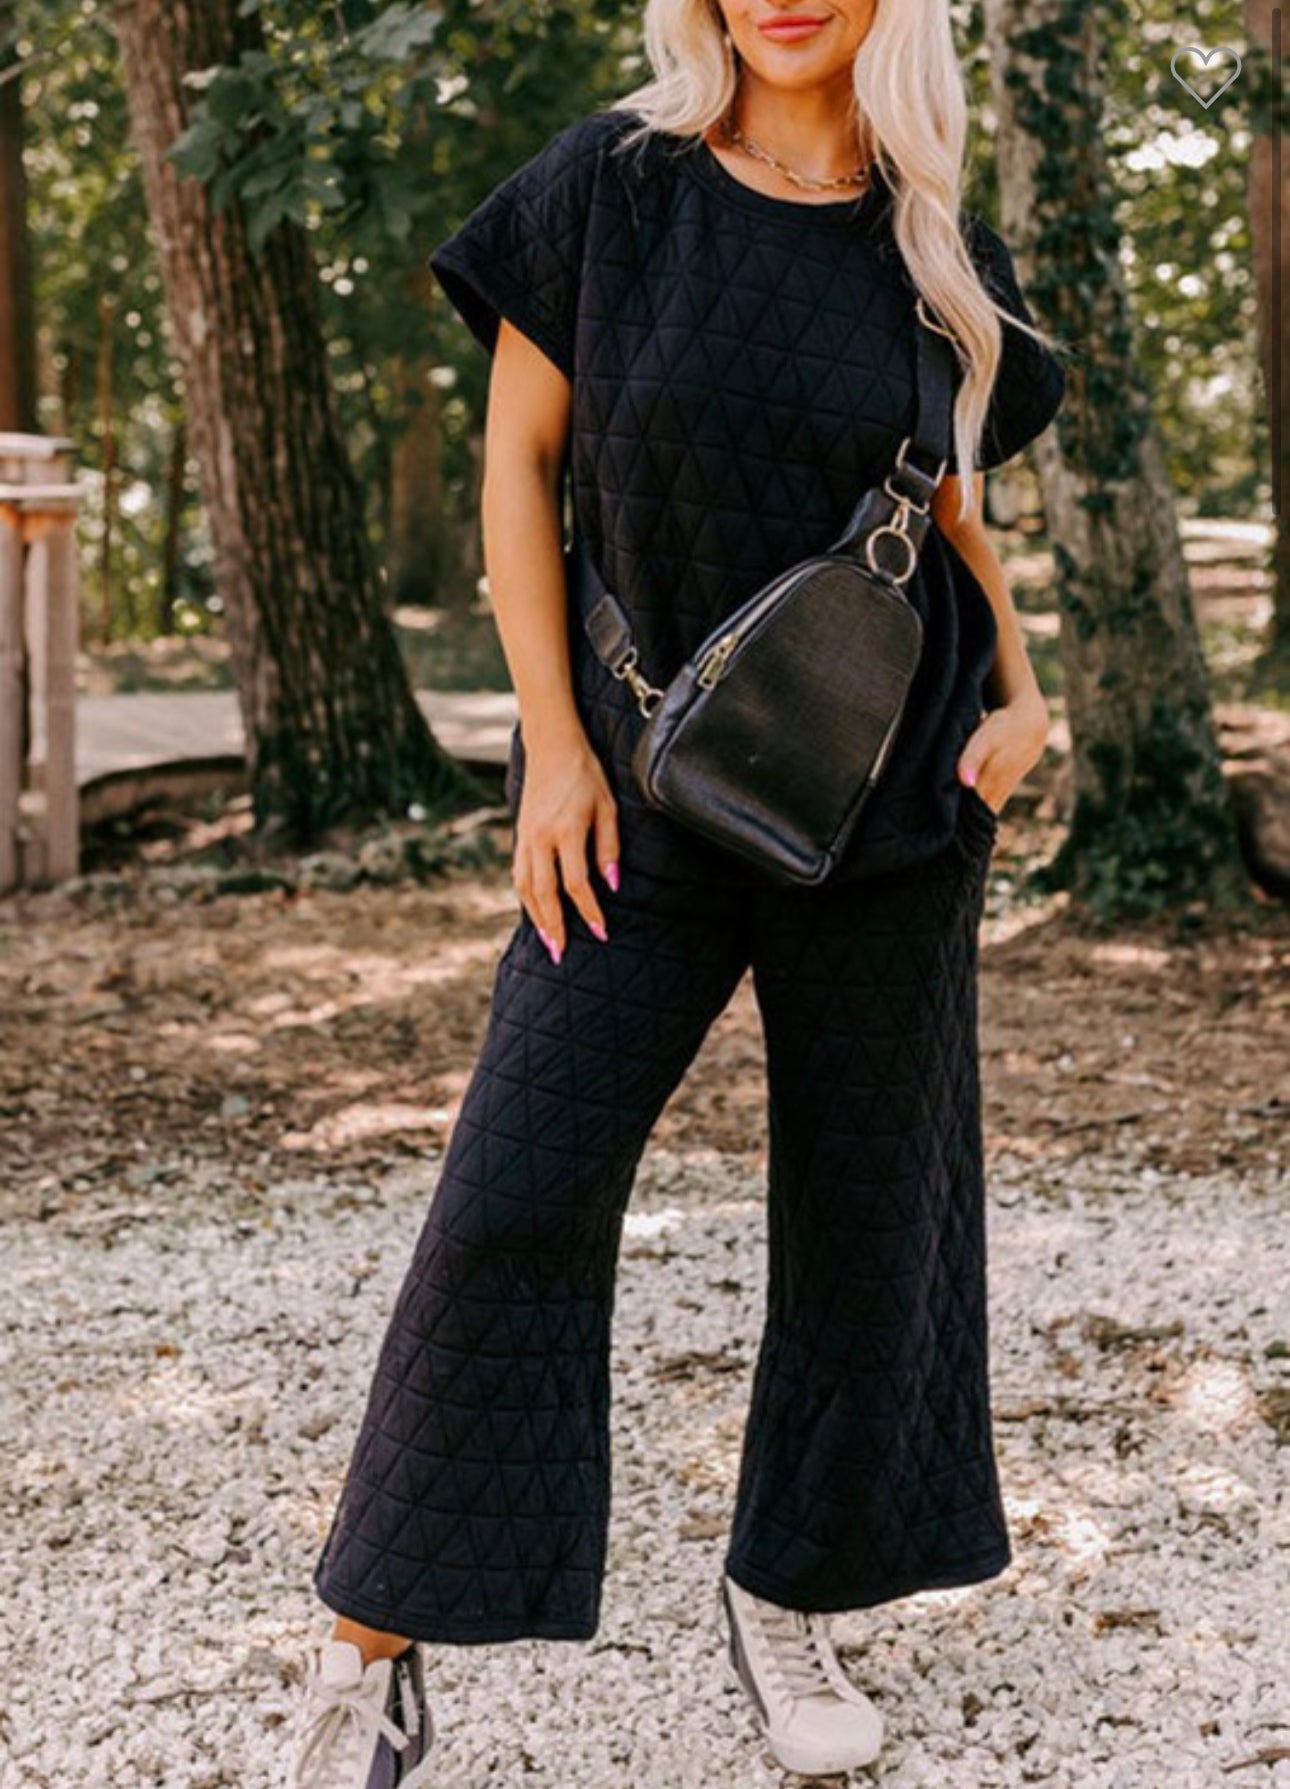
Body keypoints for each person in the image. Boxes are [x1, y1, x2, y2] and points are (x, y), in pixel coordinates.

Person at [284, 1, 1069, 1782]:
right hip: (635, 794)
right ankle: (367, 1645)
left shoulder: (938, 242)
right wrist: (550, 746)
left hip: (893, 799)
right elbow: (518, 468)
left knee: (878, 1221)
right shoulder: (611, 187)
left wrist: (1024, 692)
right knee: (511, 1193)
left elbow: (942, 519)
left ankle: (792, 1593)